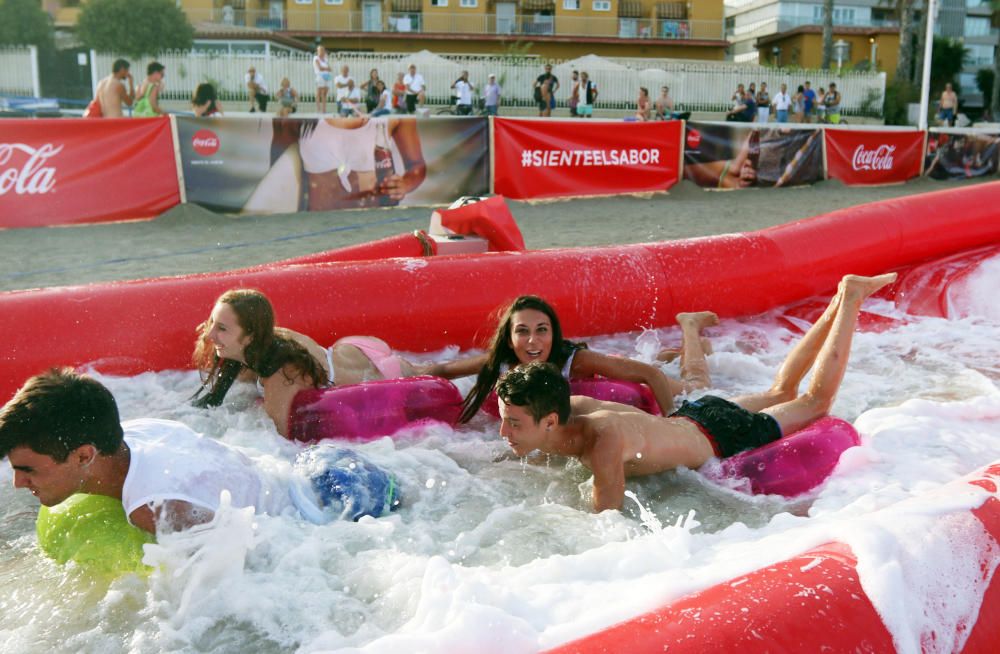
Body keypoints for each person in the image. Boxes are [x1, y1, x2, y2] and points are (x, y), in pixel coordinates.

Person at [495, 273, 897, 512]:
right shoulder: (573, 407)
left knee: (815, 401)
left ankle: (851, 301)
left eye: (512, 423)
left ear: (549, 420)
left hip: (721, 435)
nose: (504, 432)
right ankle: (843, 294)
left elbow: (607, 526)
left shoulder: (602, 443)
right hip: (696, 413)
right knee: (782, 389)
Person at [0, 369, 400, 534]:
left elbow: (261, 552)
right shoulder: (135, 432)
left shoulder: (154, 508)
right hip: (316, 467)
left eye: (28, 469)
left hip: (334, 508)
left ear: (84, 456)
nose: (19, 483)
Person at [421, 295, 716, 423]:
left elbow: (648, 376)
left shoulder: (576, 361)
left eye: (542, 331)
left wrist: (672, 421)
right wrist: (399, 373)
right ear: (509, 339)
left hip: (613, 378)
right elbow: (443, 369)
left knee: (696, 385)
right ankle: (672, 353)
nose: (533, 341)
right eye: (522, 332)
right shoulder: (502, 361)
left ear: (554, 334)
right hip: (608, 369)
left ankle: (690, 326)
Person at [192, 289, 424, 436]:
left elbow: (279, 441)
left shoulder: (280, 375)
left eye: (221, 328)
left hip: (375, 369)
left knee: (433, 372)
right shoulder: (253, 346)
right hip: (346, 350)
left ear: (250, 336)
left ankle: (463, 368)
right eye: (212, 323)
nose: (209, 334)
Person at [273, 113, 426, 210]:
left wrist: (404, 184)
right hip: (317, 224)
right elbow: (275, 175)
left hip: (372, 222)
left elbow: (417, 166)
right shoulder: (296, 117)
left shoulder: (394, 115)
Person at [313, 46, 332, 114]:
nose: (323, 51)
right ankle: (318, 109)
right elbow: (320, 68)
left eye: (323, 50)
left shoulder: (325, 59)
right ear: (318, 51)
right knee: (319, 93)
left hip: (327, 76)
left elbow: (330, 68)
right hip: (320, 76)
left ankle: (324, 109)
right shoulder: (316, 58)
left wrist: (327, 69)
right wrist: (327, 69)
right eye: (321, 50)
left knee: (325, 93)